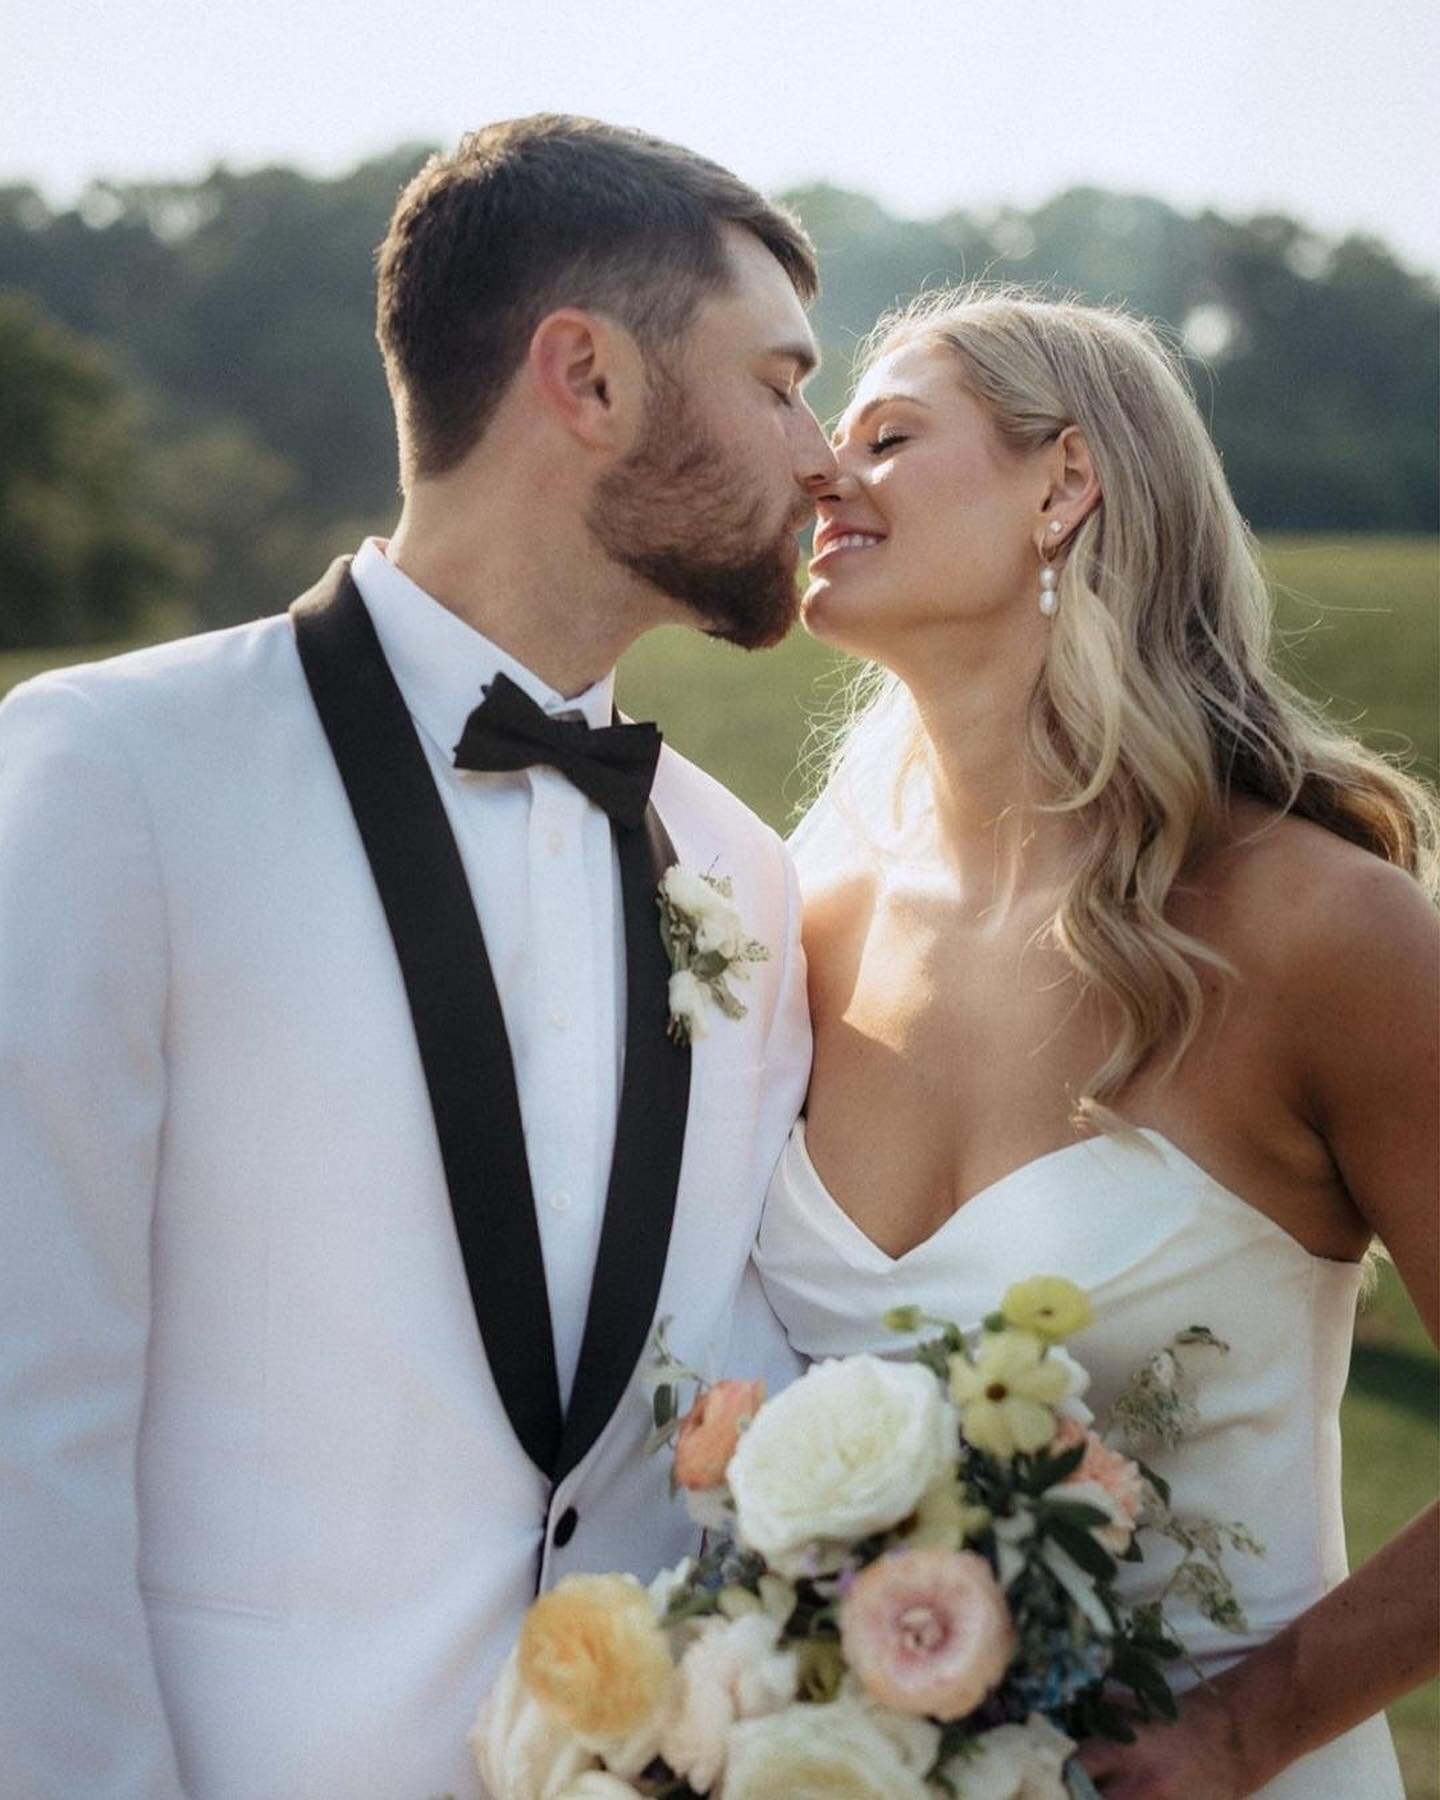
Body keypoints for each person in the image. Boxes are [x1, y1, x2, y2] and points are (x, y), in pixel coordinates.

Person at [0, 116, 837, 1799]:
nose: (823, 454)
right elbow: (24, 1412)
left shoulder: (743, 869)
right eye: (780, 382)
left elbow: (716, 1391)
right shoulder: (115, 774)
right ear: (585, 381)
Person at [754, 286, 1438, 1797]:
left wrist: (1244, 1730)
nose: (823, 469)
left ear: (1062, 486)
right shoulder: (805, 924)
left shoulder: (1323, 931)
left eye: (890, 434)